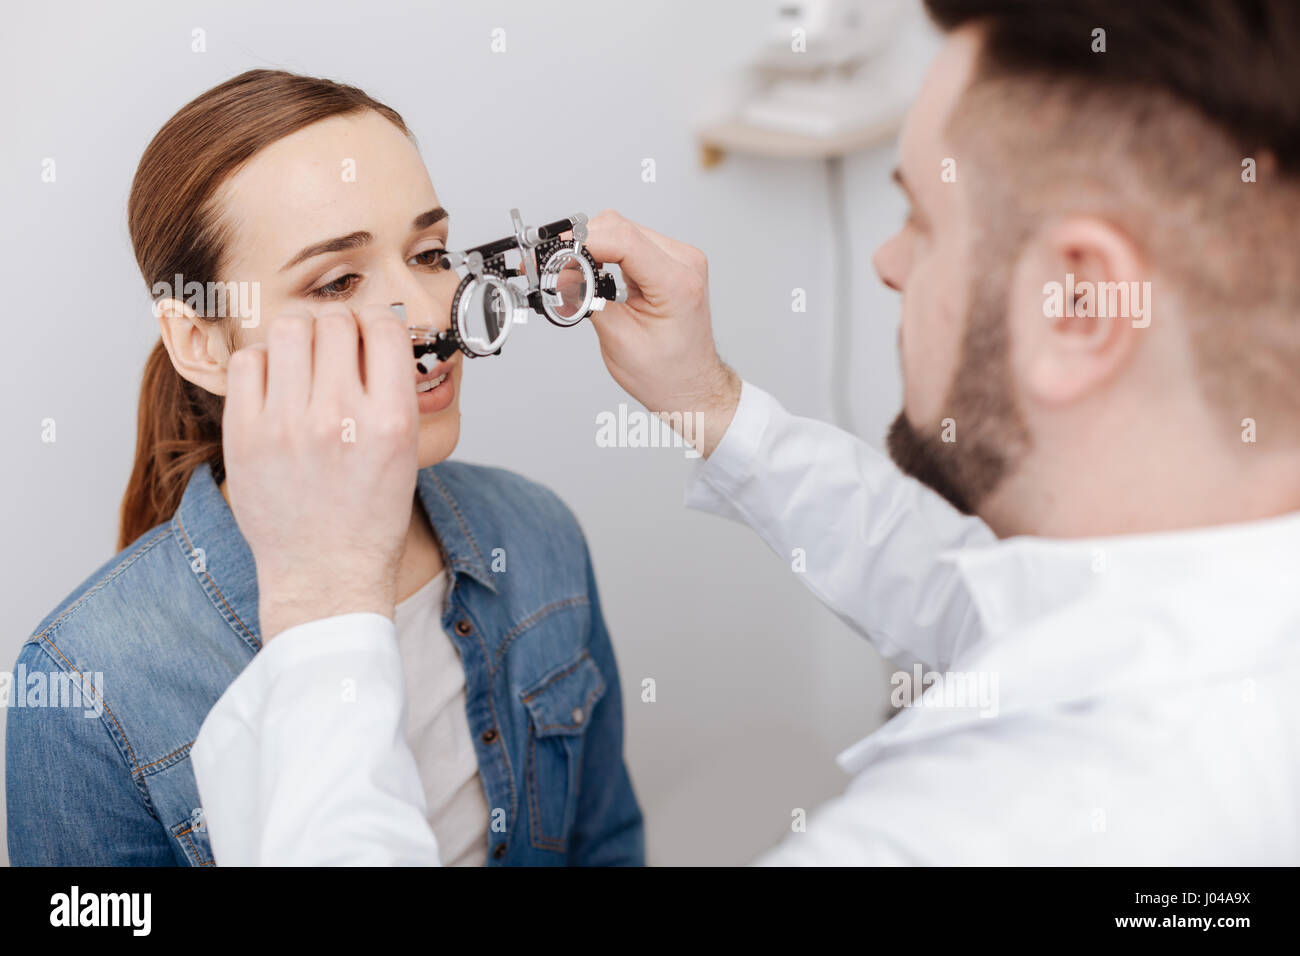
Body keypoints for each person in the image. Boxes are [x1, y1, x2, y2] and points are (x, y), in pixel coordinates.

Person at [201, 0, 1300, 864]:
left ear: (1077, 303)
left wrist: (315, 606)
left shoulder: (971, 834)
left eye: (919, 215)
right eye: (340, 277)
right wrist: (708, 402)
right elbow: (963, 590)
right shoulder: (1224, 600)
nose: (888, 261)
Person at [6, 69, 643, 867]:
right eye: (337, 281)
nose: (429, 311)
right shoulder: (85, 685)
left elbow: (605, 846)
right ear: (201, 343)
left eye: (431, 253)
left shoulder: (538, 535)